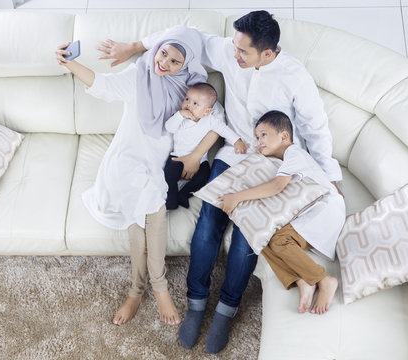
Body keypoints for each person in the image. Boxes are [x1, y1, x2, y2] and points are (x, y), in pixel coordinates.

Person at [98, 10, 342, 353]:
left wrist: (330, 175)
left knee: (245, 241)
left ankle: (227, 309)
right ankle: (197, 303)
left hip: (268, 166)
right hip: (231, 154)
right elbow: (184, 33)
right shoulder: (230, 50)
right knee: (206, 228)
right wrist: (135, 46)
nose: (234, 55)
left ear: (268, 53)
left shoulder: (294, 76)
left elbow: (316, 129)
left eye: (243, 52)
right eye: (234, 47)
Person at [55, 26, 214, 326]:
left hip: (157, 166)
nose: (163, 62)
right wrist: (68, 62)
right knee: (143, 208)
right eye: (163, 52)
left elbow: (216, 122)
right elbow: (101, 84)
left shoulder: (194, 92)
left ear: (187, 65)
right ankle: (152, 289)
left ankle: (141, 290)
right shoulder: (139, 75)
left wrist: (195, 155)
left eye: (175, 61)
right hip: (127, 159)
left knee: (150, 205)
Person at [220, 110, 345, 315]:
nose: (259, 141)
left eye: (263, 135)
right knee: (260, 234)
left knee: (280, 240)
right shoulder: (281, 162)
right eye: (257, 137)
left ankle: (323, 279)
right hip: (310, 211)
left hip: (325, 209)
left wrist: (238, 197)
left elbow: (277, 187)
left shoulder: (294, 153)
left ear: (284, 136)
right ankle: (301, 280)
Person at [164, 82, 248, 210]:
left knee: (204, 177)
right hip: (178, 157)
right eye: (187, 99)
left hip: (200, 162)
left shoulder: (210, 121)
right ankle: (171, 198)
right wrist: (179, 115)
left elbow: (224, 130)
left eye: (195, 104)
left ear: (207, 111)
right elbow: (169, 127)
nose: (188, 105)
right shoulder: (181, 118)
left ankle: (184, 194)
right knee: (169, 174)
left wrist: (237, 141)